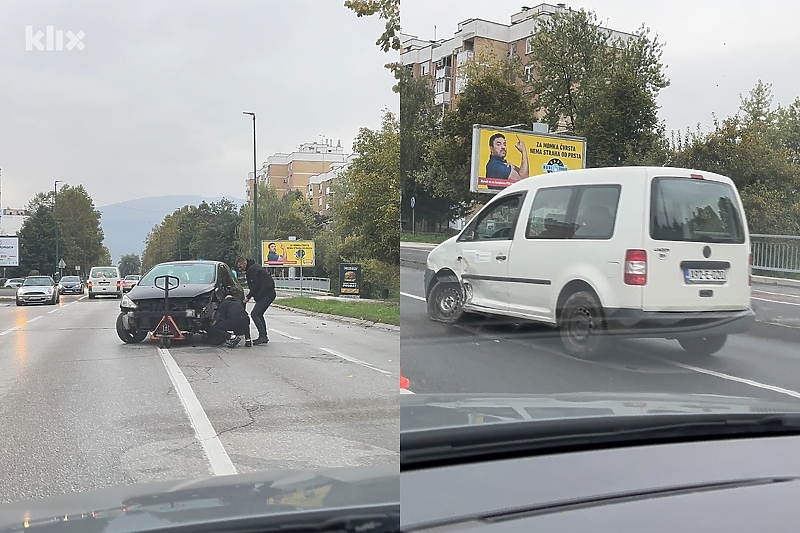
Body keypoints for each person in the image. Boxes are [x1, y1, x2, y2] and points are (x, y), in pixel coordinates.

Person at [236, 256, 275, 345]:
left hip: (267, 294)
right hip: (267, 294)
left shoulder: (253, 270)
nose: (240, 269)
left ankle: (263, 336)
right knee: (259, 314)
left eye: (240, 267)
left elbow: (255, 285)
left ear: (244, 264)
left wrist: (248, 297)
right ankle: (263, 336)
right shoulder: (253, 267)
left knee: (255, 314)